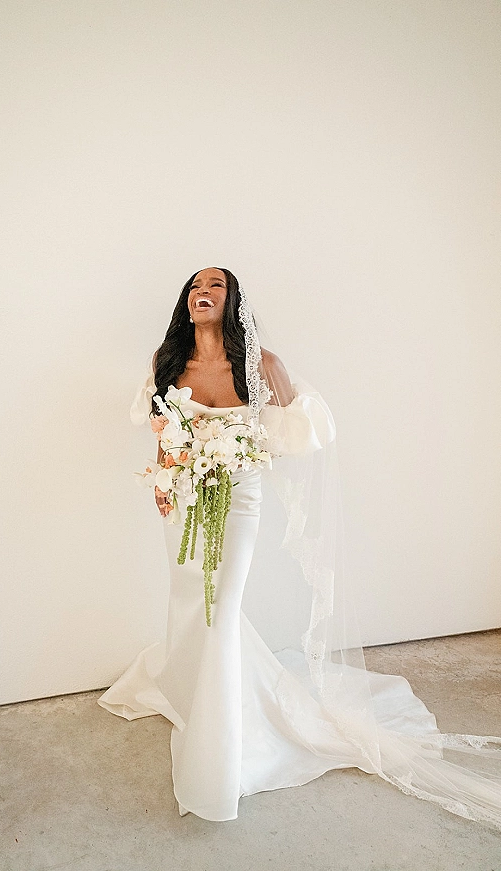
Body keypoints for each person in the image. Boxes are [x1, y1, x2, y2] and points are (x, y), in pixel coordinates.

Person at [98, 267, 501, 826]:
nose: (202, 293)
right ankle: (195, 695)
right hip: (182, 502)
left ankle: (214, 761)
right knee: (189, 602)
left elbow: (292, 434)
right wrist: (171, 481)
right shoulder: (167, 361)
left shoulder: (260, 365)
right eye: (193, 287)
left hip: (238, 501)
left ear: (232, 299)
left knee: (220, 611)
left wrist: (236, 452)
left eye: (214, 285)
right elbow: (163, 430)